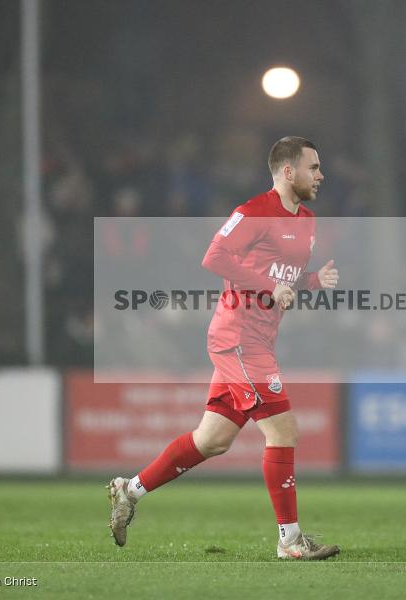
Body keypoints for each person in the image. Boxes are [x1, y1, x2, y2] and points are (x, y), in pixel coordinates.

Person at [106, 137, 340, 560]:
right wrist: (273, 286)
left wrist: (311, 282)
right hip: (238, 339)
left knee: (211, 440)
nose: (321, 174)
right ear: (289, 172)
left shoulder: (306, 219)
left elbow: (281, 278)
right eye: (314, 166)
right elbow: (214, 257)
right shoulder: (252, 212)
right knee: (283, 431)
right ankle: (289, 541)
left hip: (256, 341)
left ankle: (130, 490)